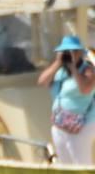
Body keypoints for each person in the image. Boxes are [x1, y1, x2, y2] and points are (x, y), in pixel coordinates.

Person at [39, 35, 95, 166]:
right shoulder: (60, 71)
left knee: (81, 162)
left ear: (81, 52)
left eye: (74, 51)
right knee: (65, 163)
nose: (71, 54)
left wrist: (74, 68)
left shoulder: (88, 70)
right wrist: (58, 62)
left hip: (82, 125)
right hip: (61, 123)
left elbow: (85, 89)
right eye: (67, 51)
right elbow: (42, 81)